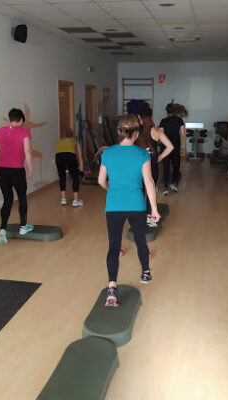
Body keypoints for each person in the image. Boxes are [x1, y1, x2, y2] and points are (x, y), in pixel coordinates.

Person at [98, 114, 161, 307]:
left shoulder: (107, 153)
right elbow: (149, 182)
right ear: (136, 133)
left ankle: (111, 288)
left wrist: (112, 190)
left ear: (119, 132)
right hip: (136, 205)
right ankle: (145, 272)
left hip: (114, 205)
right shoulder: (142, 154)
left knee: (114, 246)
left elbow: (101, 181)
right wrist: (155, 209)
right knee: (140, 239)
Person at [0, 108, 33, 244]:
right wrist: (30, 169)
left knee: (7, 199)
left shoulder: (0, 131)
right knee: (22, 198)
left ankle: (2, 229)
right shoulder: (24, 132)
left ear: (9, 119)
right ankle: (23, 227)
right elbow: (27, 152)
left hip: (2, 170)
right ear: (21, 120)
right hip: (17, 170)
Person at [135, 107, 174, 226]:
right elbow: (170, 147)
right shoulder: (156, 131)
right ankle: (149, 215)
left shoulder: (135, 131)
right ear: (151, 117)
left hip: (138, 165)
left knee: (139, 190)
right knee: (150, 190)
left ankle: (138, 215)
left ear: (139, 118)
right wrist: (160, 158)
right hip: (152, 164)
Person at [159, 103, 188, 194]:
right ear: (175, 111)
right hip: (175, 146)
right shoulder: (179, 120)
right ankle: (174, 183)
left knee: (166, 166)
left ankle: (165, 187)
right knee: (176, 165)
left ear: (166, 111)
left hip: (165, 147)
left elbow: (161, 135)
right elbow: (183, 135)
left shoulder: (163, 121)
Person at [55, 129, 84, 206]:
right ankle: (76, 200)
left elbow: (59, 151)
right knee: (75, 177)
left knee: (62, 177)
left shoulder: (60, 141)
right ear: (72, 135)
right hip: (70, 156)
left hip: (58, 156)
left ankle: (63, 199)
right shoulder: (75, 141)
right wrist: (81, 171)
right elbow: (80, 157)